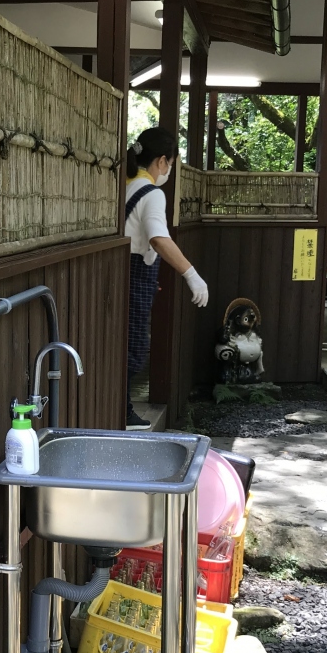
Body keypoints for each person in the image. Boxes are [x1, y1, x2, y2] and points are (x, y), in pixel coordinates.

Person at [123, 127, 209, 431]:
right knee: (134, 346)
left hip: (124, 272)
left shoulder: (124, 185)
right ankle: (123, 410)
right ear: (161, 161)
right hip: (134, 276)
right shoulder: (152, 193)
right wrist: (192, 274)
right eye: (170, 163)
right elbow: (159, 238)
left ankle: (122, 407)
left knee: (124, 342)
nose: (169, 170)